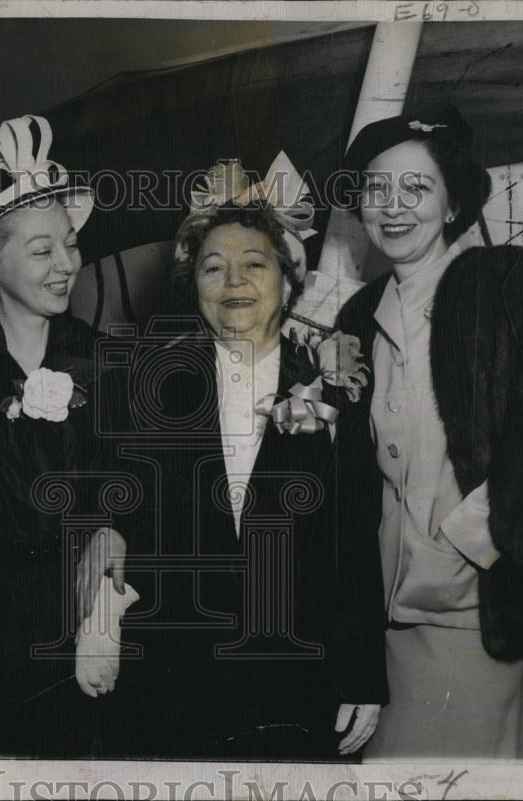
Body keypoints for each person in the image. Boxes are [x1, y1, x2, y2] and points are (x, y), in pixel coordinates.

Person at [333, 105, 523, 759]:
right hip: (383, 616)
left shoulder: (515, 290)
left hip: (473, 608)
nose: (393, 206)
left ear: (451, 206)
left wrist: (459, 553)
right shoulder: (360, 315)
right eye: (376, 187)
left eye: (416, 188)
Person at [120, 156, 388, 759]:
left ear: (290, 281)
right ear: (193, 287)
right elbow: (128, 524)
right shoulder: (154, 385)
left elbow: (355, 541)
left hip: (302, 676)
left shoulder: (337, 388)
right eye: (213, 268)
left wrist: (363, 672)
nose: (233, 281)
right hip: (176, 683)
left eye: (254, 264)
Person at [0, 115, 137, 758]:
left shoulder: (107, 364)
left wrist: (103, 607)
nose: (68, 263)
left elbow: (129, 491)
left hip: (98, 654)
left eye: (69, 243)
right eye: (42, 251)